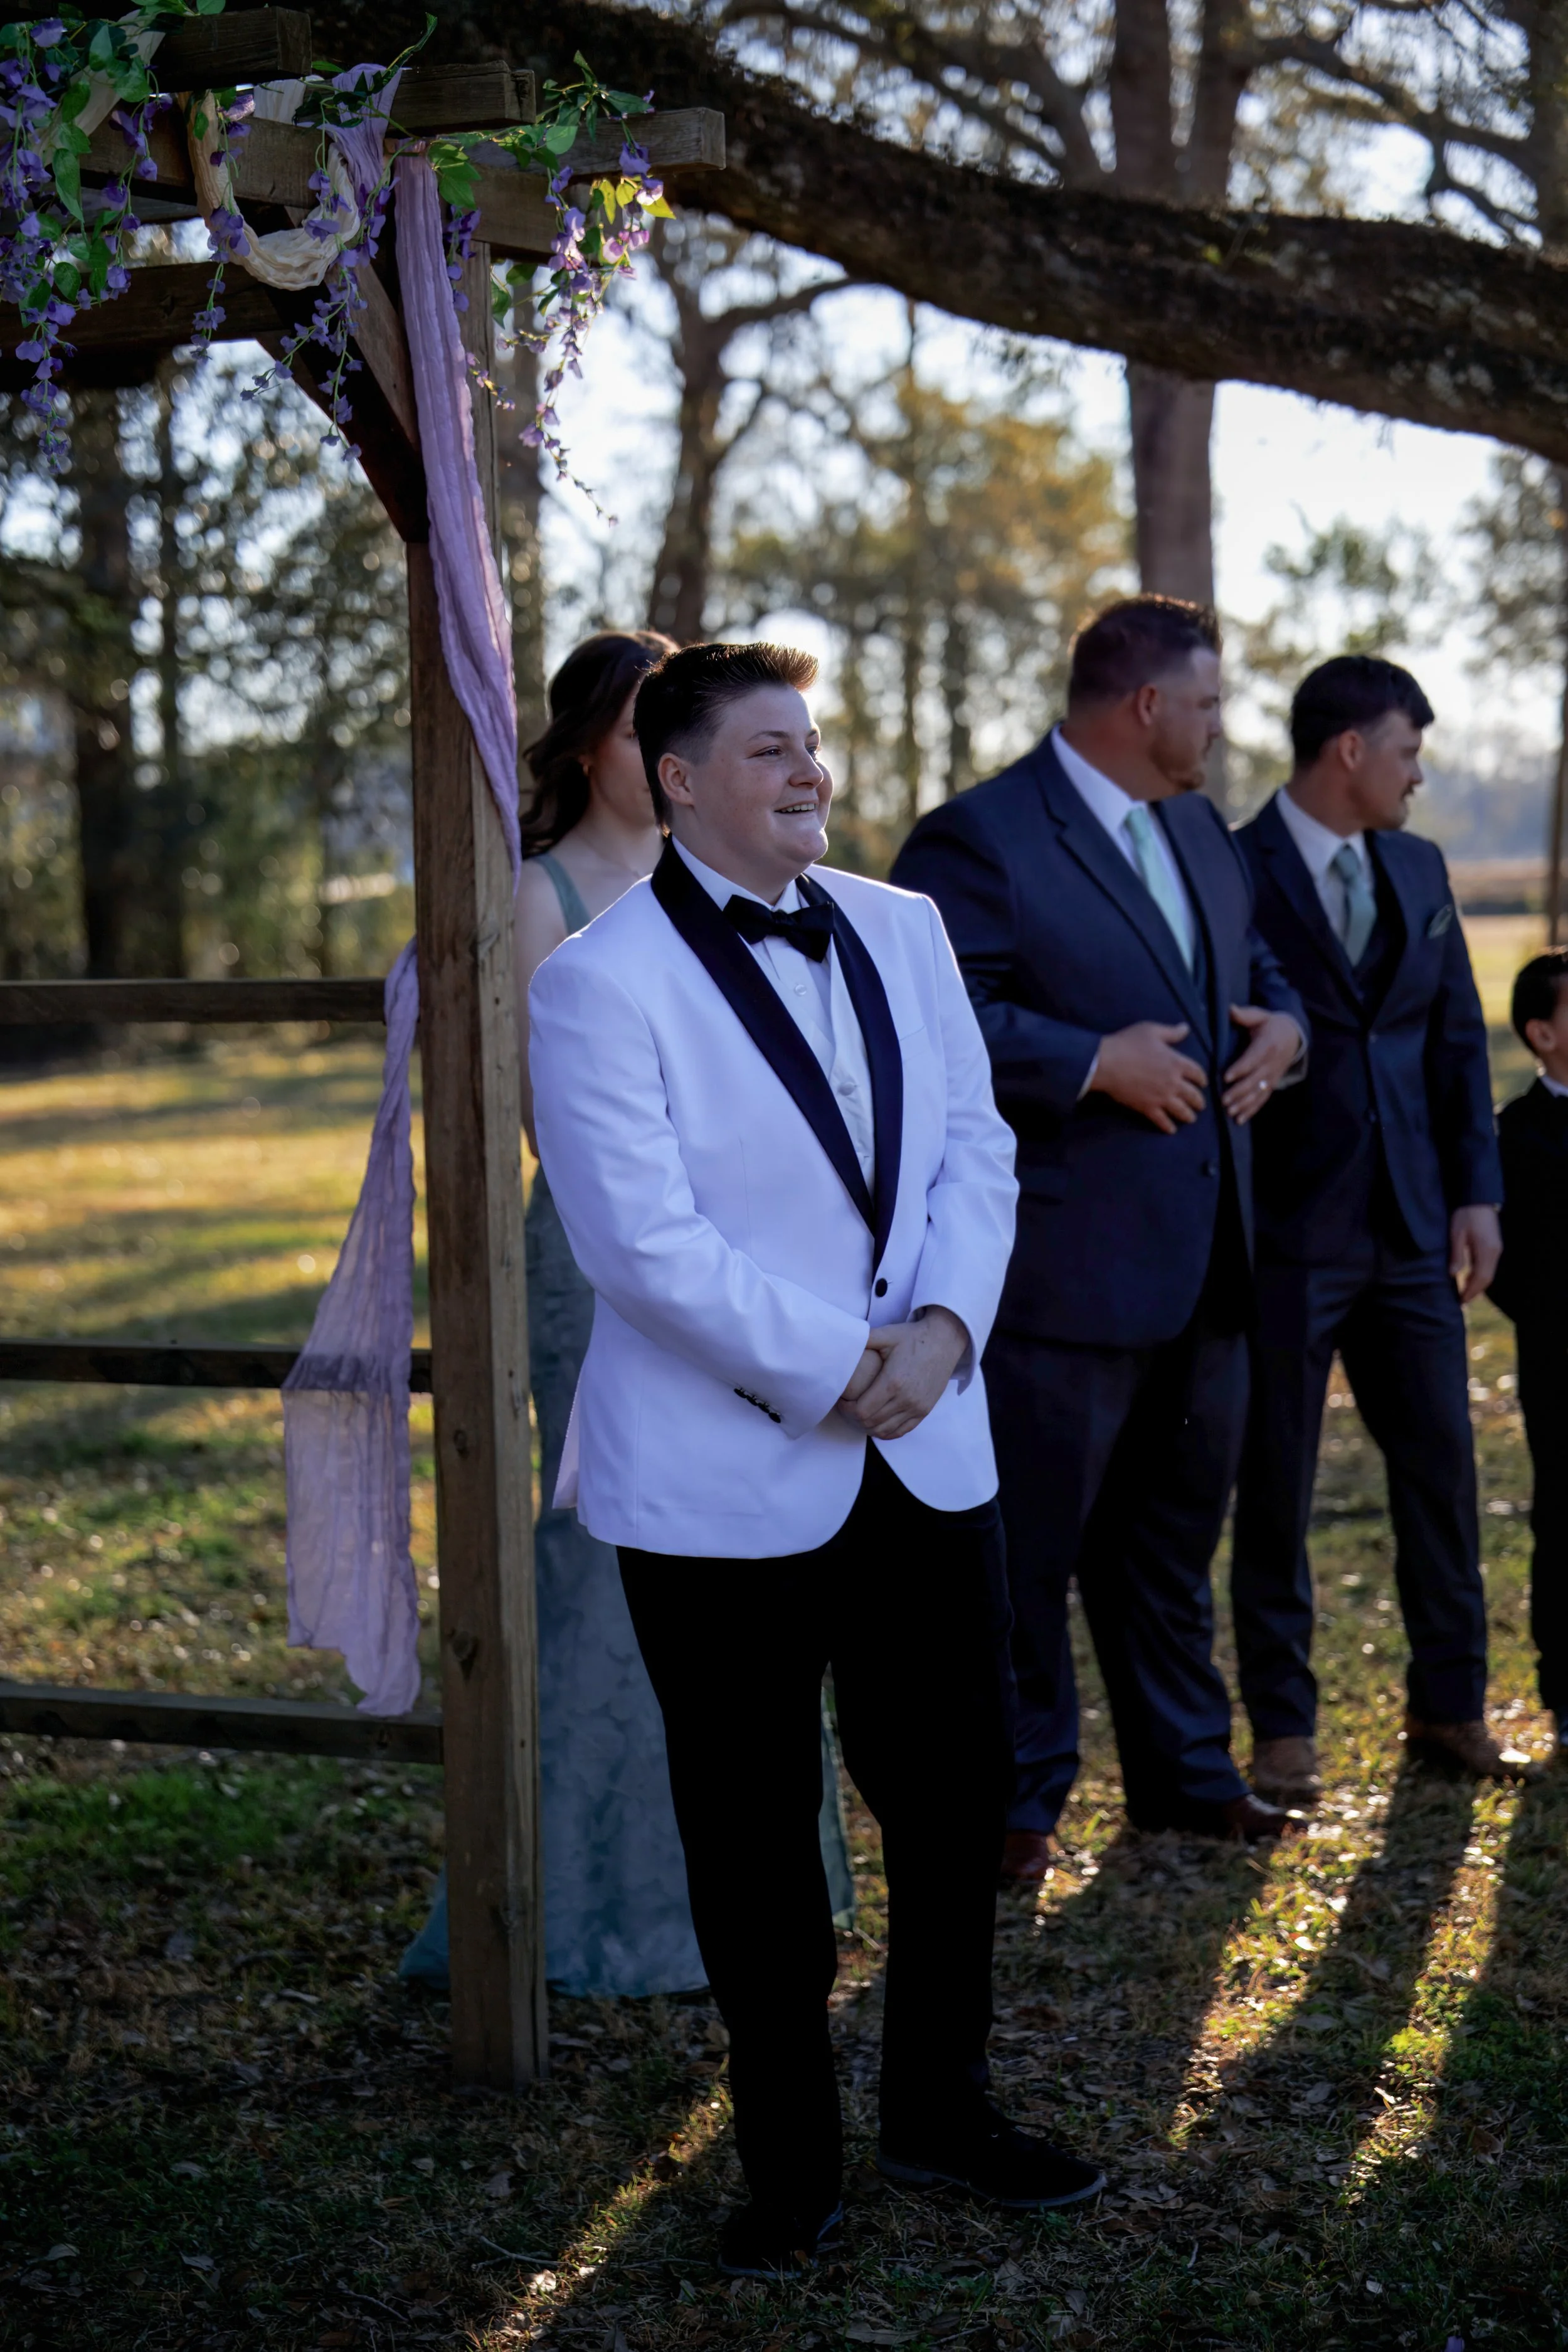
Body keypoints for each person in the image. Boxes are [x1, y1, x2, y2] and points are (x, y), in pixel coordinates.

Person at [529, 639, 1102, 2277]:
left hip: (928, 1445)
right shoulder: (594, 983)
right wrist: (838, 1364)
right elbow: (637, 1242)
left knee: (955, 1796)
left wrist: (942, 1332)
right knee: (752, 1832)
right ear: (676, 777)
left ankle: (941, 2107)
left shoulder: (904, 928)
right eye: (766, 748)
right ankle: (788, 2166)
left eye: (812, 742)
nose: (808, 769)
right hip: (719, 1478)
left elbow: (976, 1145)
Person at [401, 628, 853, 1999]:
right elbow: (562, 1127)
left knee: (773, 1535)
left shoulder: (769, 884)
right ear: (602, 752)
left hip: (771, 1261)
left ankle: (768, 1886)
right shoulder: (543, 895)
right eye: (631, 732)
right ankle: (599, 1902)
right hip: (603, 1260)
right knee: (612, 1549)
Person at [892, 596, 1307, 1875]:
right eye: (1208, 703)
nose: (1218, 726)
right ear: (1146, 705)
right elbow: (930, 1016)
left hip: (1209, 1262)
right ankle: (1015, 1801)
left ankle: (1187, 1778)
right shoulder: (981, 836)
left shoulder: (1199, 830)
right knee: (1028, 1556)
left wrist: (1287, 1031)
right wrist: (1089, 1060)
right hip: (1060, 1275)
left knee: (1173, 1545)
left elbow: (1255, 969)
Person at [1231, 654, 1537, 1807]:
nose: (1419, 774)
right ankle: (1283, 1728)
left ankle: (1451, 1704)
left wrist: (1477, 1193)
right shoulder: (1233, 865)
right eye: (1409, 751)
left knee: (1443, 1473)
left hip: (1413, 1227)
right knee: (1277, 1484)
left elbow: (1456, 1040)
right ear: (1350, 750)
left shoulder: (1420, 865)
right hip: (1285, 1230)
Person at [1487, 948, 1568, 1758]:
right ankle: (1566, 1690)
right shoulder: (1516, 1134)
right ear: (1542, 1033)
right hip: (1561, 1361)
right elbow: (1507, 1266)